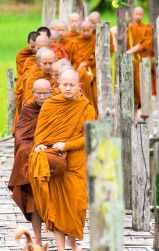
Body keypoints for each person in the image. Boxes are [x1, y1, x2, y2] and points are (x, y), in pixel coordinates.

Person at [29, 69, 96, 251]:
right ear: (58, 84)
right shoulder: (50, 105)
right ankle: (60, 248)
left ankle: (73, 244)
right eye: (64, 84)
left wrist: (66, 145)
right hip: (56, 164)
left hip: (76, 163)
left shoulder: (86, 107)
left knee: (77, 206)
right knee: (57, 209)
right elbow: (40, 134)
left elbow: (88, 137)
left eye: (71, 85)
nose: (67, 88)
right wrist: (40, 145)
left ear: (79, 86)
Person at [8, 79, 52, 246]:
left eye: (45, 93)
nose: (42, 97)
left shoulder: (57, 107)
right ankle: (38, 239)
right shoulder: (28, 109)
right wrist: (32, 150)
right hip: (33, 161)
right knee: (33, 200)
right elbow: (21, 135)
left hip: (53, 157)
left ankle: (62, 241)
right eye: (38, 93)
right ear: (33, 93)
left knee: (57, 201)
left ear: (52, 91)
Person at [126, 6, 154, 109]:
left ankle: (140, 103)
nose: (138, 16)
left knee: (139, 83)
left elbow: (146, 44)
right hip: (128, 58)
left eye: (140, 14)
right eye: (136, 14)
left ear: (143, 16)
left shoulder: (147, 28)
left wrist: (131, 51)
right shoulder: (128, 28)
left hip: (140, 59)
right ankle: (130, 103)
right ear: (133, 15)